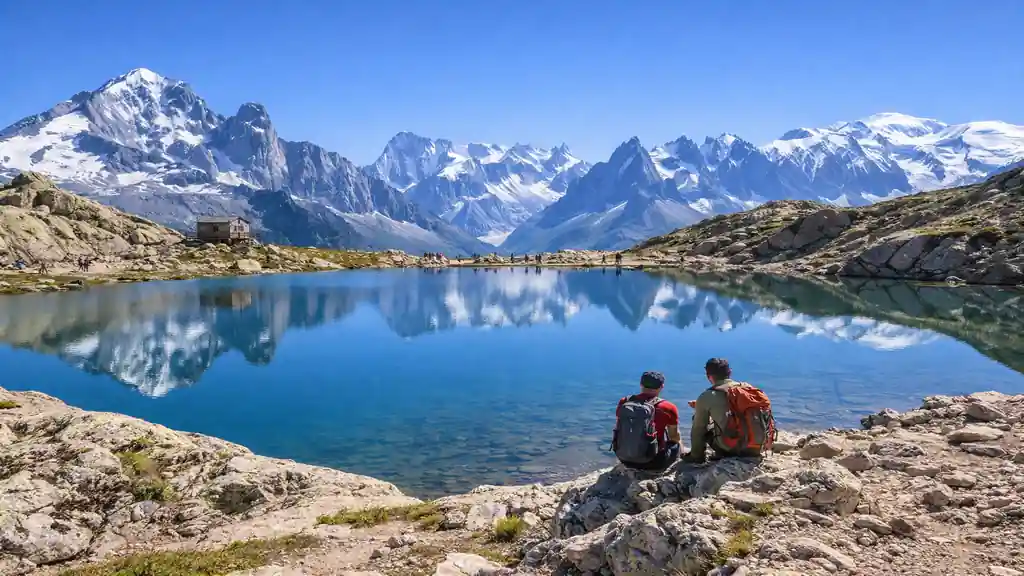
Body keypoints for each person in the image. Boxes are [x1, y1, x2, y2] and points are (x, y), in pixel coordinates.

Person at [684, 358, 776, 463]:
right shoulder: (748, 388)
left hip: (731, 449)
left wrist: (695, 455)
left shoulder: (707, 396)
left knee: (698, 420)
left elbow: (698, 430)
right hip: (757, 447)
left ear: (708, 375)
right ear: (730, 372)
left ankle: (699, 457)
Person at [612, 371, 681, 470]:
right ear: (662, 387)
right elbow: (674, 437)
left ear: (641, 384)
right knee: (676, 444)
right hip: (653, 462)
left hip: (624, 458)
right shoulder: (668, 407)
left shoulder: (625, 402)